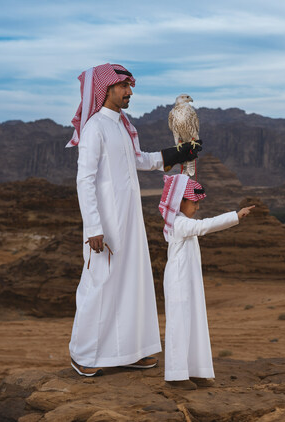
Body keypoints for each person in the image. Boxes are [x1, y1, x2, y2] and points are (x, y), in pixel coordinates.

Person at [66, 63, 202, 377]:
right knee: (99, 283)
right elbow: (84, 180)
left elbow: (139, 160)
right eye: (123, 87)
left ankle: (128, 351)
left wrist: (179, 153)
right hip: (106, 223)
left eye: (130, 86)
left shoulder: (122, 125)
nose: (129, 92)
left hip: (129, 218)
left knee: (132, 283)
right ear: (106, 90)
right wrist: (93, 228)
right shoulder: (95, 127)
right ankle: (83, 354)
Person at [158, 174, 254, 389]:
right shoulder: (180, 223)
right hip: (179, 282)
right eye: (195, 202)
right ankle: (176, 375)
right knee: (180, 326)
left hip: (189, 281)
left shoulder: (182, 221)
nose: (198, 207)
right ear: (180, 202)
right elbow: (203, 227)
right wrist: (235, 216)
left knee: (195, 323)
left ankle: (196, 371)